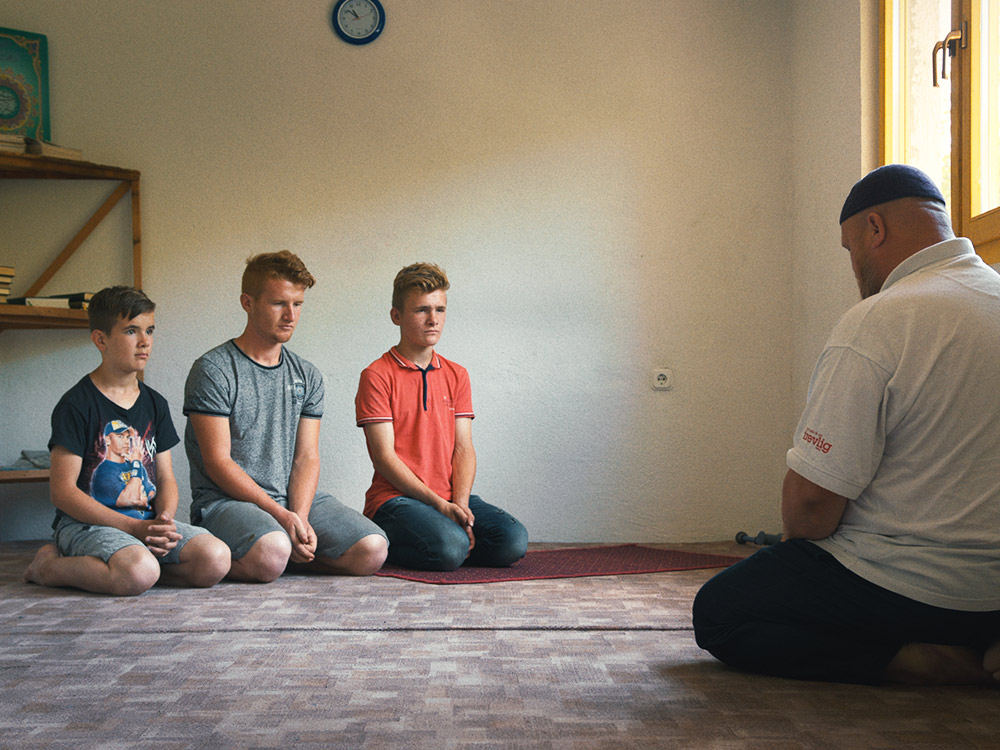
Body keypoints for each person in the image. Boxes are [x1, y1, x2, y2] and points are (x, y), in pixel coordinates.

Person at [692, 164, 1000, 685]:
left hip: (911, 586)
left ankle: (923, 659)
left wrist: (795, 557)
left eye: (849, 248)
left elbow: (812, 507)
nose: (854, 265)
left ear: (874, 230)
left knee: (721, 611)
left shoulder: (881, 319)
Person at [183, 250, 388, 582]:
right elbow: (217, 462)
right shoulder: (214, 369)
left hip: (291, 502)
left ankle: (286, 558)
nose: (291, 315)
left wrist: (300, 517)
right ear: (247, 303)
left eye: (298, 304)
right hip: (225, 503)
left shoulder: (307, 375)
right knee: (272, 551)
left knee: (373, 549)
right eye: (279, 303)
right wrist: (280, 515)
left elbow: (306, 456)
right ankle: (264, 556)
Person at [23, 286, 231, 595]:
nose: (145, 341)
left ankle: (137, 570)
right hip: (87, 526)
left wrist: (163, 519)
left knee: (215, 559)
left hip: (143, 523)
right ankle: (47, 567)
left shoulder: (155, 404)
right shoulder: (76, 405)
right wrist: (133, 528)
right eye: (131, 331)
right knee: (138, 571)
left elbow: (165, 478)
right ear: (101, 339)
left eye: (149, 330)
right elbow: (62, 493)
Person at [355, 262, 528, 571]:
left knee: (512, 541)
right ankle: (413, 544)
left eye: (440, 309)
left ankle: (451, 542)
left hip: (449, 498)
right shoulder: (376, 375)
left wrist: (459, 505)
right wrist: (438, 506)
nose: (433, 319)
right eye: (421, 310)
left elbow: (464, 448)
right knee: (450, 547)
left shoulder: (457, 374)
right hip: (395, 500)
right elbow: (383, 457)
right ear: (397, 316)